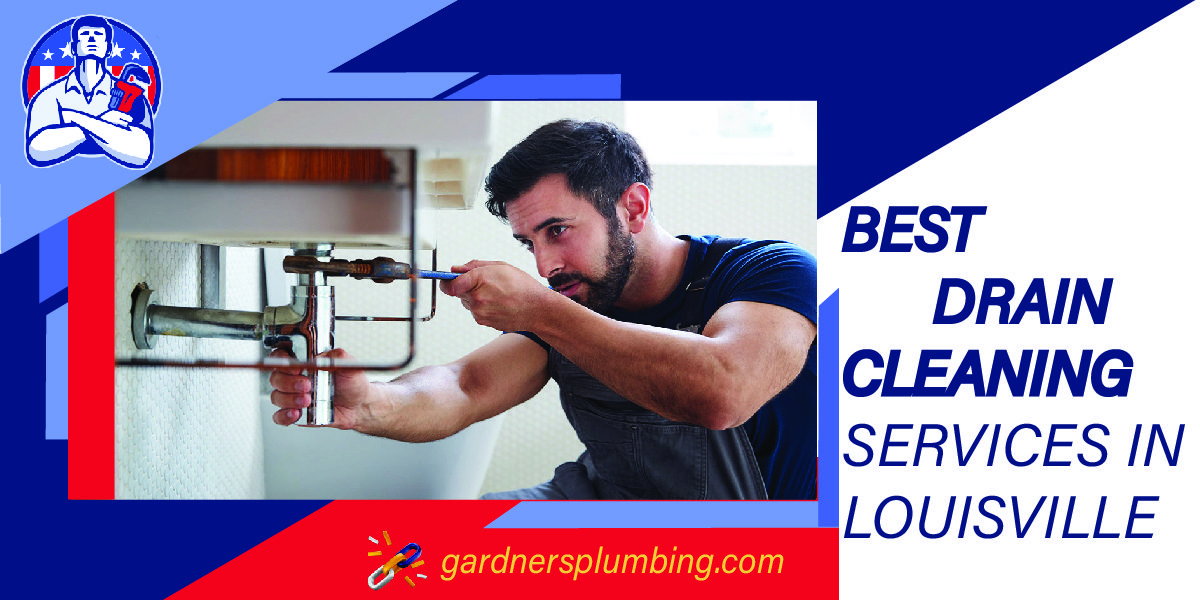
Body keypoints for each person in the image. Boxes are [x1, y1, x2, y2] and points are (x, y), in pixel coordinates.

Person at [269, 120, 817, 499]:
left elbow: (724, 391)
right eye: (529, 243)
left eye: (558, 230)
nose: (547, 264)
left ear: (633, 207)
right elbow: (466, 386)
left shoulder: (770, 273)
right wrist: (373, 403)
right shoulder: (572, 300)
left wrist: (541, 312)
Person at [25, 15, 153, 168]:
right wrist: (106, 125)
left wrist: (73, 117)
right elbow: (37, 150)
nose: (92, 39)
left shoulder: (132, 98)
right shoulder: (48, 96)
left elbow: (141, 152)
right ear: (73, 48)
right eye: (85, 35)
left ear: (109, 49)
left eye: (98, 35)